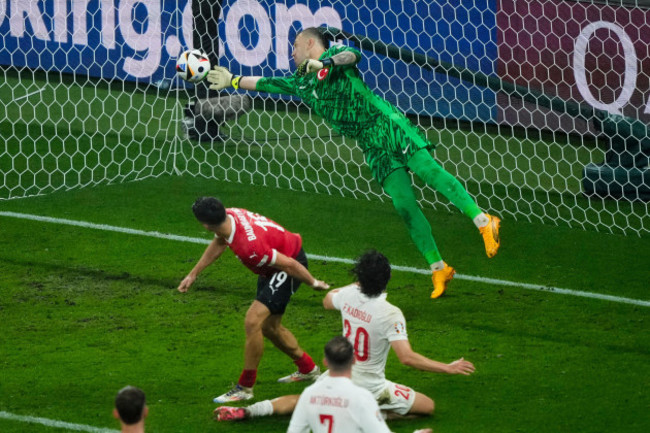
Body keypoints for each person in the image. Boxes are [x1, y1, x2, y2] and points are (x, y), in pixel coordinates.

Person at [207, 26, 501, 298]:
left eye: (295, 45)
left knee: (429, 172)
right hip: (370, 145)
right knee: (404, 207)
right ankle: (439, 269)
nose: (292, 52)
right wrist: (233, 79)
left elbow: (353, 55)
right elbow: (267, 83)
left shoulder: (334, 56)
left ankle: (483, 221)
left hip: (387, 125)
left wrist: (325, 64)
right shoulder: (300, 81)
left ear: (311, 43)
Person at [215, 250, 474, 423]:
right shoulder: (390, 313)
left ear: (359, 277)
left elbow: (328, 300)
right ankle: (362, 416)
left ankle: (247, 411)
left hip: (339, 375)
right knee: (427, 406)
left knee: (302, 400)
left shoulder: (349, 295)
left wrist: (355, 286)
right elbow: (406, 358)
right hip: (372, 386)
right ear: (387, 279)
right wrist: (447, 368)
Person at [178, 196, 330, 403]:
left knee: (252, 321)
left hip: (290, 262)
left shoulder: (249, 248)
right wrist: (193, 273)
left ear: (205, 225)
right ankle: (309, 369)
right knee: (270, 328)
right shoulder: (229, 216)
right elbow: (220, 241)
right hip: (272, 264)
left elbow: (290, 266)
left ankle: (245, 387)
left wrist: (313, 282)